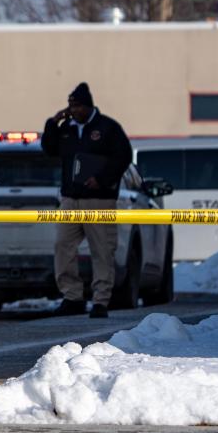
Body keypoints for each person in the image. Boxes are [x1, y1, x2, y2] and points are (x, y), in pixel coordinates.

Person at [41, 82, 132, 319]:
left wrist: (101, 180)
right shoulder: (67, 128)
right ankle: (72, 297)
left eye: (78, 106)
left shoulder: (108, 127)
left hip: (98, 199)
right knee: (63, 246)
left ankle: (101, 300)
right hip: (71, 198)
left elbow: (124, 156)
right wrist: (53, 123)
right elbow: (49, 149)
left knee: (102, 250)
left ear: (88, 106)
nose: (73, 110)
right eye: (71, 106)